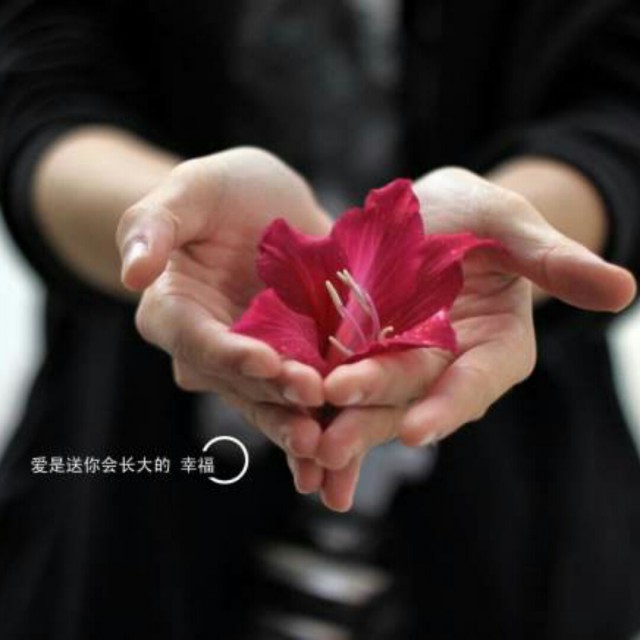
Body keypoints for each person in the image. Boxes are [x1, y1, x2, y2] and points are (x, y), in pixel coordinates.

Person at [0, 1, 639, 638]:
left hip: (517, 509)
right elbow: (41, 91)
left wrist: (518, 236)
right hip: (124, 490)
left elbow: (619, 103)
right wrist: (165, 219)